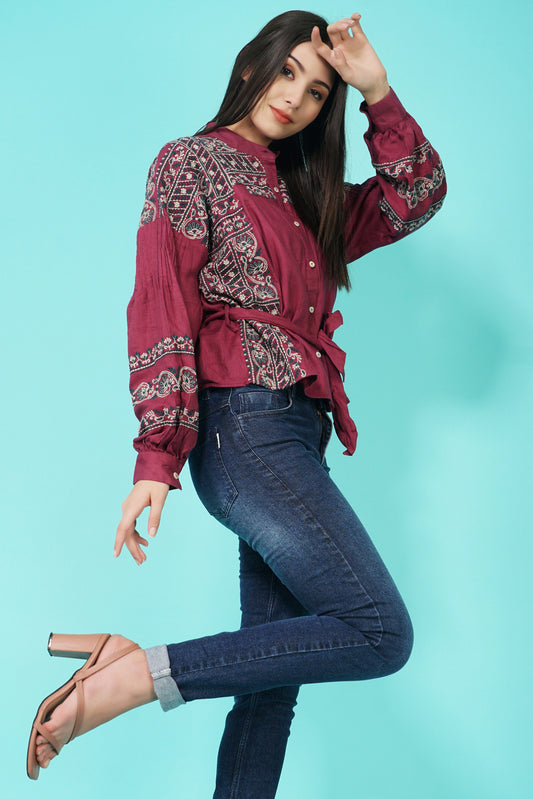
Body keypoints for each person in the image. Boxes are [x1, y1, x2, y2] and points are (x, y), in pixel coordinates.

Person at [27, 10, 446, 796]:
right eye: (286, 72)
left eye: (316, 91)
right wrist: (156, 457)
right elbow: (161, 303)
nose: (294, 97)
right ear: (252, 65)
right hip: (243, 430)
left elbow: (415, 195)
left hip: (293, 433)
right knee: (378, 630)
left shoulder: (309, 194)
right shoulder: (190, 162)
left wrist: (376, 89)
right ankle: (134, 674)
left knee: (270, 682)